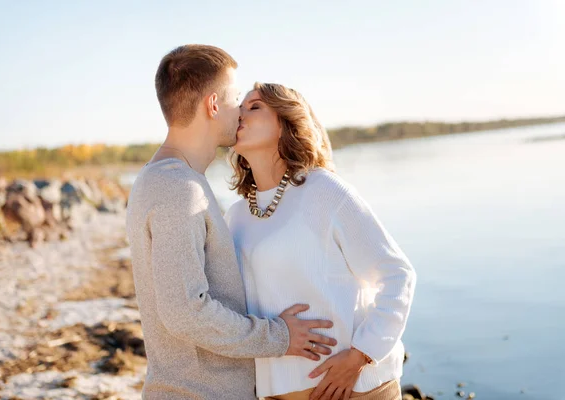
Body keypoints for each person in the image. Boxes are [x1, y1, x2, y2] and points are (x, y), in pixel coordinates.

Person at [126, 45, 337, 400]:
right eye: (236, 98)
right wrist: (279, 336)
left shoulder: (163, 179)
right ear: (212, 105)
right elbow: (184, 310)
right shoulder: (178, 188)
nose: (240, 110)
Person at [225, 83, 416, 400]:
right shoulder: (235, 217)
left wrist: (360, 356)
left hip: (356, 389)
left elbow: (397, 274)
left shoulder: (324, 191)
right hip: (278, 393)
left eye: (254, 107)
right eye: (238, 107)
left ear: (287, 123)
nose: (239, 114)